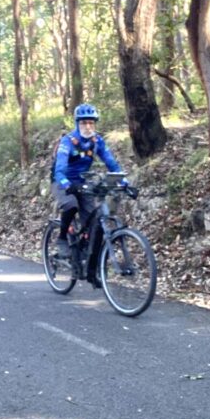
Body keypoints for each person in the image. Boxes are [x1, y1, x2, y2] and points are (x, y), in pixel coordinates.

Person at [50, 103, 127, 285]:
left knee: (95, 226)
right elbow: (59, 169)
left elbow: (111, 163)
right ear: (77, 124)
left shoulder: (97, 141)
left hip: (83, 182)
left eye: (91, 123)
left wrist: (123, 181)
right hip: (62, 181)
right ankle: (61, 238)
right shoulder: (68, 141)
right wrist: (67, 184)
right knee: (70, 205)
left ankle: (92, 272)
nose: (88, 127)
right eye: (84, 123)